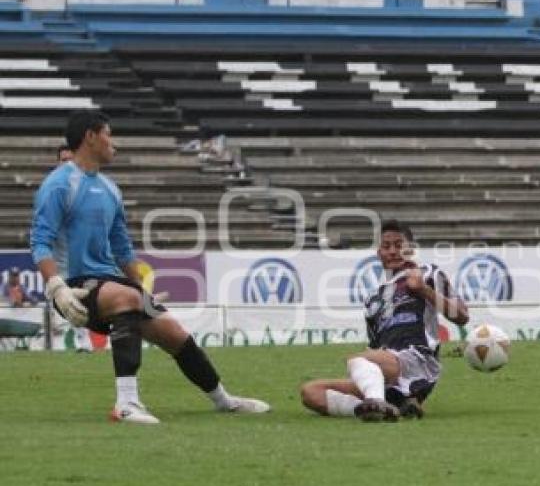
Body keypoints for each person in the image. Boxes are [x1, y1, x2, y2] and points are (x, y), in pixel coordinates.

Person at [31, 110, 270, 424]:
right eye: (108, 134)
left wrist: (141, 290)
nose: (112, 142)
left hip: (110, 282)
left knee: (174, 333)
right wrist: (56, 288)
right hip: (75, 285)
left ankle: (224, 400)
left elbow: (122, 248)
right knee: (125, 300)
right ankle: (126, 404)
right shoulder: (59, 185)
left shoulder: (110, 189)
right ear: (90, 137)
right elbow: (40, 242)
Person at [300, 220, 469, 421]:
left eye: (399, 245)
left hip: (416, 360)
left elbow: (461, 316)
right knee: (311, 392)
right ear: (378, 253)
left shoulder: (428, 273)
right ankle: (386, 406)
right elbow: (375, 349)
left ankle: (377, 401)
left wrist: (424, 290)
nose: (392, 251)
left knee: (357, 360)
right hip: (387, 367)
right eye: (386, 246)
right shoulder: (374, 298)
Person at [55, 144, 93, 353]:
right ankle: (83, 341)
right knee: (68, 296)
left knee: (88, 293)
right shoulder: (51, 188)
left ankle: (90, 340)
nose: (67, 163)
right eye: (63, 159)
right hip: (60, 252)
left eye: (70, 159)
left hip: (83, 250)